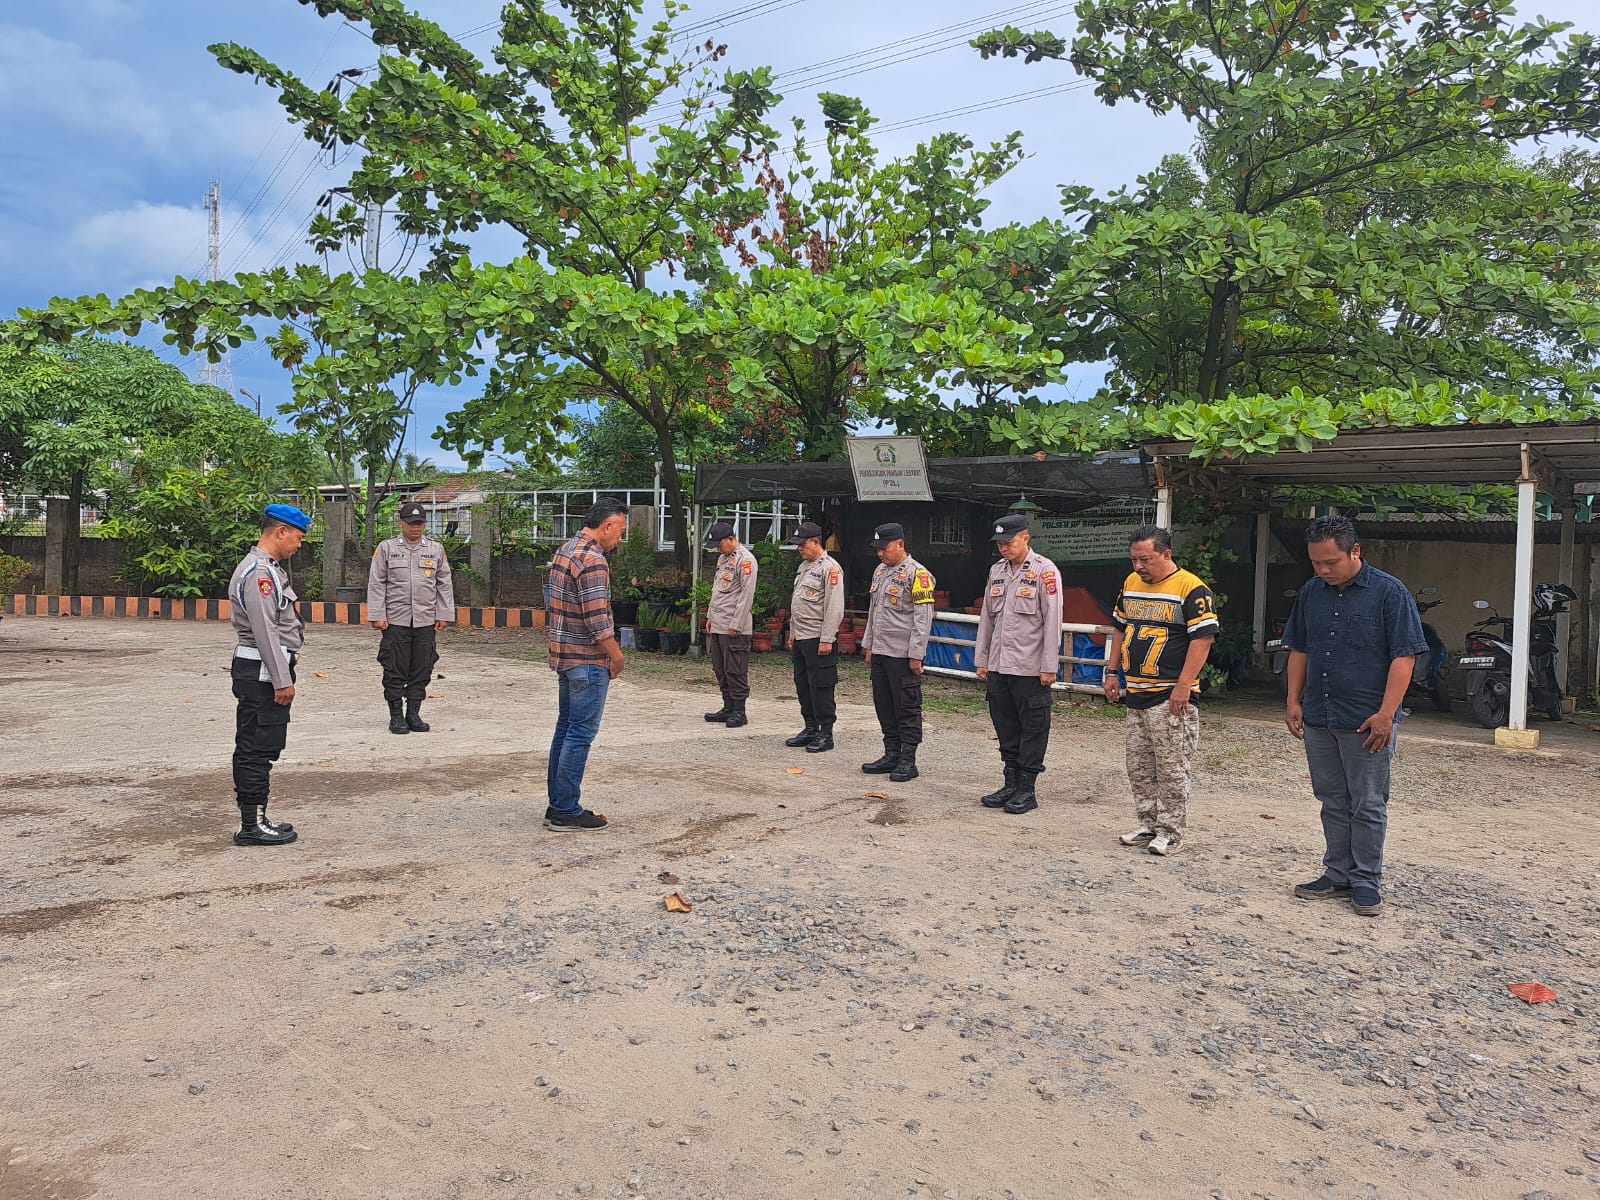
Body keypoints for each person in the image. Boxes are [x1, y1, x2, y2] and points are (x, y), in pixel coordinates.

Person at [1283, 515, 1427, 916]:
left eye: (1331, 562)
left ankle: (1366, 880)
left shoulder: (1389, 593)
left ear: (1355, 551)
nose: (1323, 570)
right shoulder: (1311, 593)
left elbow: (1405, 656)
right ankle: (1336, 873)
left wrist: (1386, 714)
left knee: (1368, 802)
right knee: (1331, 799)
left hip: (1367, 720)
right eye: (1316, 563)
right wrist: (1293, 700)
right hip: (1320, 715)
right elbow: (1300, 648)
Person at [1104, 526, 1219, 856]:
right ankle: (1148, 823)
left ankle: (1171, 831)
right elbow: (1119, 627)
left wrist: (1183, 687)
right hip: (1136, 692)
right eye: (1134, 559)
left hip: (1170, 694)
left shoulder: (1192, 589)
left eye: (1145, 559)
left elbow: (1203, 640)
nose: (1138, 566)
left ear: (1166, 554)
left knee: (1172, 767)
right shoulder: (1131, 583)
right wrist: (1112, 672)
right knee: (1139, 765)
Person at [227, 504, 313, 847]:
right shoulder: (260, 574)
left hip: (264, 669)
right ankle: (251, 825)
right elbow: (265, 631)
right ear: (280, 532)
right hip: (263, 671)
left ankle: (257, 818)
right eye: (298, 537)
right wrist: (282, 680)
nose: (299, 545)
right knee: (256, 746)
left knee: (262, 745)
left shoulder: (267, 569)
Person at [545, 498, 629, 832]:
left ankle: (558, 804)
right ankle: (566, 810)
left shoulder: (565, 551)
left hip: (566, 657)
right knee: (579, 734)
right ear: (606, 526)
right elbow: (597, 621)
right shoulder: (593, 560)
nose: (620, 538)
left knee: (566, 729)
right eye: (620, 531)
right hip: (588, 661)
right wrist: (617, 655)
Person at [973, 513, 1064, 815]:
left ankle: (1027, 789)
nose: (1003, 548)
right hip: (999, 666)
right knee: (1006, 726)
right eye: (999, 543)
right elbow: (987, 617)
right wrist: (982, 659)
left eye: (1008, 542)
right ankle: (1010, 784)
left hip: (1030, 667)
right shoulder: (996, 570)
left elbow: (1053, 621)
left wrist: (1049, 665)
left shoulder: (1044, 571)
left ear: (1026, 538)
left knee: (1033, 728)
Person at [367, 501, 455, 735]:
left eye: (420, 523)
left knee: (422, 667)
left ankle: (413, 714)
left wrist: (444, 614)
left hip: (426, 619)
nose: (416, 528)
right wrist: (377, 615)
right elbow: (377, 583)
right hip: (396, 619)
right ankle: (396, 715)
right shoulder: (387, 548)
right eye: (411, 523)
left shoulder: (435, 549)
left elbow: (444, 583)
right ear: (401, 524)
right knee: (394, 667)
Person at [860, 522, 936, 783]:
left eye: (885, 548)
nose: (880, 553)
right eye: (878, 549)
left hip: (902, 654)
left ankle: (908, 759)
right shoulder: (880, 571)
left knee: (907, 707)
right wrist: (869, 645)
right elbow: (873, 612)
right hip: (881, 651)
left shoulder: (918, 574)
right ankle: (891, 753)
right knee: (884, 705)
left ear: (901, 544)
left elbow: (923, 619)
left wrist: (916, 654)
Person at [784, 521, 844, 753]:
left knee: (821, 686)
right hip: (802, 636)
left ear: (816, 542)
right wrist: (792, 633)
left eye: (803, 544)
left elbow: (834, 608)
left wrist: (827, 639)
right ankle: (810, 727)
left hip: (818, 638)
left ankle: (825, 733)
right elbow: (798, 603)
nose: (799, 548)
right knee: (803, 684)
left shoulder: (830, 568)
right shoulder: (804, 567)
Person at [702, 519, 758, 729]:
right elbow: (717, 590)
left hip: (735, 627)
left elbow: (746, 594)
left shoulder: (746, 560)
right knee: (720, 668)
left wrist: (737, 623)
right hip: (719, 623)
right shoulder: (723, 559)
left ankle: (739, 711)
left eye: (720, 544)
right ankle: (728, 706)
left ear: (731, 538)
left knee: (735, 669)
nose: (718, 549)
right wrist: (710, 616)